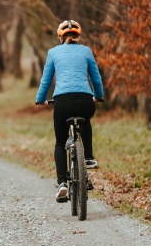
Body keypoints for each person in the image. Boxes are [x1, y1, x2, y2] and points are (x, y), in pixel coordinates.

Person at [35, 20, 104, 203]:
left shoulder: (53, 52)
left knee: (59, 142)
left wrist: (40, 99)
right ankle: (88, 158)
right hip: (84, 100)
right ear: (78, 36)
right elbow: (96, 78)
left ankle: (62, 183)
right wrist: (98, 96)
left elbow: (46, 80)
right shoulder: (86, 51)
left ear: (60, 37)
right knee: (86, 119)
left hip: (62, 103)